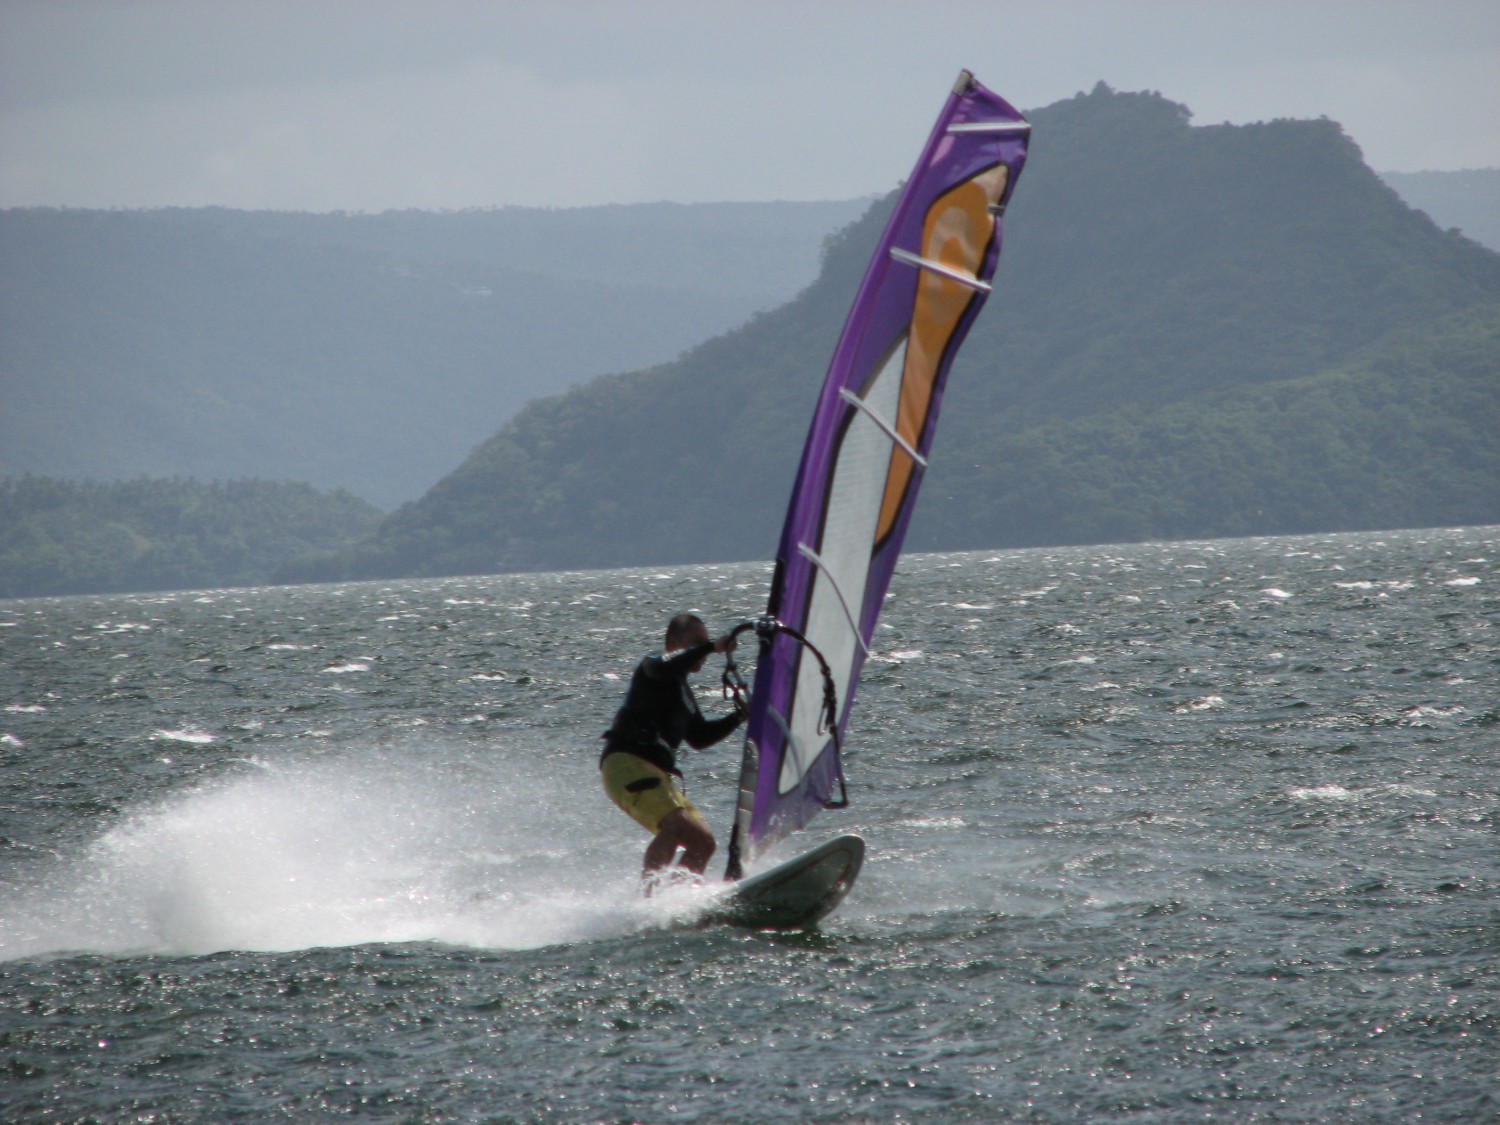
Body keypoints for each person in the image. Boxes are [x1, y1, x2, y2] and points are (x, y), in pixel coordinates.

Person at [600, 612, 745, 888]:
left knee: (703, 842)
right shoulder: (653, 665)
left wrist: (739, 716)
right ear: (674, 641)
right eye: (696, 642)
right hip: (627, 762)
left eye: (705, 642)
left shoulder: (684, 694)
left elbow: (699, 738)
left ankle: (677, 902)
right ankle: (649, 900)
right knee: (676, 827)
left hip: (655, 774)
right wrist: (712, 645)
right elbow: (665, 666)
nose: (703, 650)